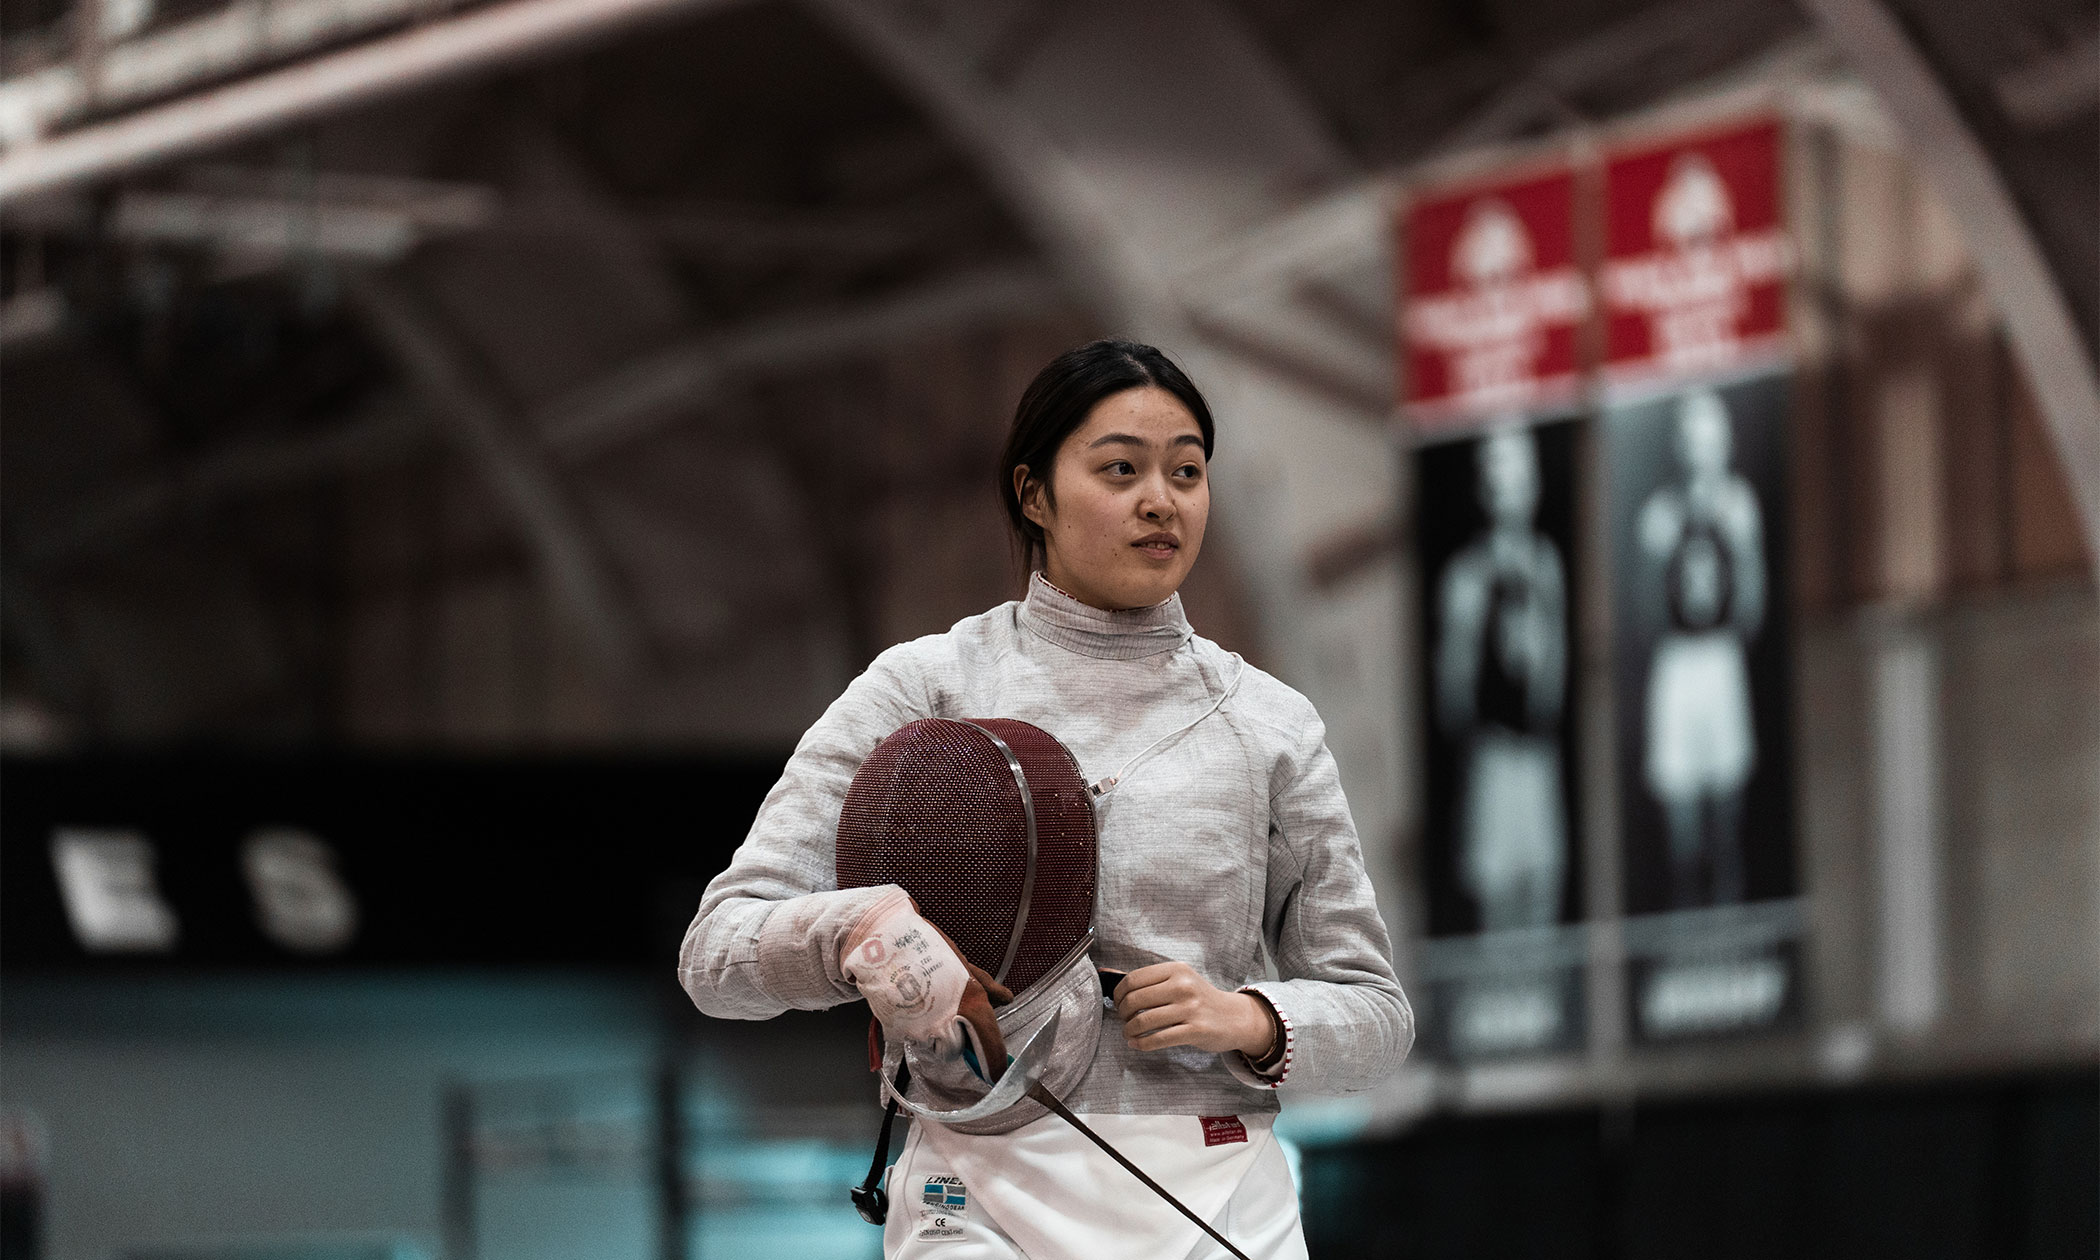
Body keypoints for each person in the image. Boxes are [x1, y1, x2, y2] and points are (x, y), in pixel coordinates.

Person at [678, 340, 1413, 1259]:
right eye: (1121, 469)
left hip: (1217, 1194)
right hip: (975, 1188)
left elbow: (1378, 1015)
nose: (1162, 499)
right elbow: (716, 956)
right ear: (1034, 495)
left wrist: (1251, 1019)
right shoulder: (925, 688)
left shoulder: (1268, 723)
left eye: (1187, 471)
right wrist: (859, 934)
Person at [1434, 425, 1568, 933]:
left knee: (1542, 888)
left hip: (1538, 754)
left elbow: (1554, 672)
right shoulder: (1467, 577)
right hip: (1493, 757)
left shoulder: (1546, 567)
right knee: (1496, 896)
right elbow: (1454, 690)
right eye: (1501, 480)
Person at [1636, 387, 1765, 908]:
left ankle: (1728, 903)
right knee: (1681, 803)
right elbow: (1645, 605)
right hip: (1677, 665)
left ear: (1724, 443)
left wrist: (1724, 638)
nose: (1701, 450)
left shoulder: (1739, 506)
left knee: (1727, 802)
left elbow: (1755, 596)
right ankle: (1688, 907)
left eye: (1709, 438)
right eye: (1692, 439)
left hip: (1720, 658)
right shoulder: (1660, 515)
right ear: (1680, 446)